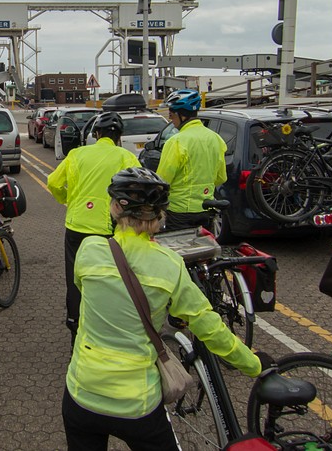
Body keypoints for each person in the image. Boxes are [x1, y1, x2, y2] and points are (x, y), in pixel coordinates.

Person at [62, 167, 262, 450]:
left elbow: (83, 290)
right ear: (160, 216)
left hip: (82, 394)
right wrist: (253, 364)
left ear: (116, 208)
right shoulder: (169, 264)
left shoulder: (89, 250)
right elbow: (208, 327)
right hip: (136, 403)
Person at [47, 111, 140, 346]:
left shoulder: (77, 154)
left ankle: (75, 324)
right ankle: (110, 326)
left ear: (96, 134)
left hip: (77, 227)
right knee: (114, 278)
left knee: (76, 279)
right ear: (118, 136)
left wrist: (66, 198)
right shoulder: (126, 157)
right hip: (111, 230)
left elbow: (53, 182)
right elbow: (138, 189)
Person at [156, 89, 227, 231]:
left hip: (179, 212)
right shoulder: (215, 138)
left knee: (180, 252)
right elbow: (221, 177)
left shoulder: (176, 141)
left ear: (181, 114)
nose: (170, 118)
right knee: (205, 249)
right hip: (206, 209)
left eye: (171, 114)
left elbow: (163, 180)